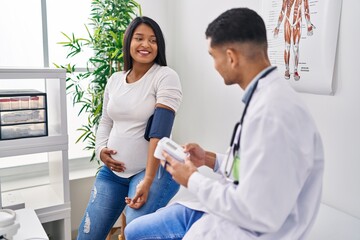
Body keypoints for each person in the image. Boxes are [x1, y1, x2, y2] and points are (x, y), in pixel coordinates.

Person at [124, 8, 324, 240]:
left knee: (137, 233)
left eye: (213, 56)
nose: (214, 65)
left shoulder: (273, 113)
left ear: (231, 57)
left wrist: (192, 179)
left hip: (242, 228)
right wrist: (210, 159)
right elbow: (252, 168)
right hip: (220, 213)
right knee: (133, 230)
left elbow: (258, 211)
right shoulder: (264, 96)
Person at [76, 16, 182, 239]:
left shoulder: (165, 76)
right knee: (87, 235)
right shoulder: (115, 80)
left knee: (135, 233)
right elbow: (106, 121)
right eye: (139, 38)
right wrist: (100, 150)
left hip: (153, 171)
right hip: (112, 173)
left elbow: (160, 132)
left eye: (153, 40)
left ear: (159, 46)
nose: (146, 45)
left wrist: (149, 180)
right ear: (128, 42)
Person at [274, 0, 315, 81]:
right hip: (288, 22)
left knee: (296, 47)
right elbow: (283, 10)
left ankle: (295, 70)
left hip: (297, 22)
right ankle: (287, 69)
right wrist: (278, 27)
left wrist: (309, 25)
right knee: (287, 47)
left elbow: (306, 9)